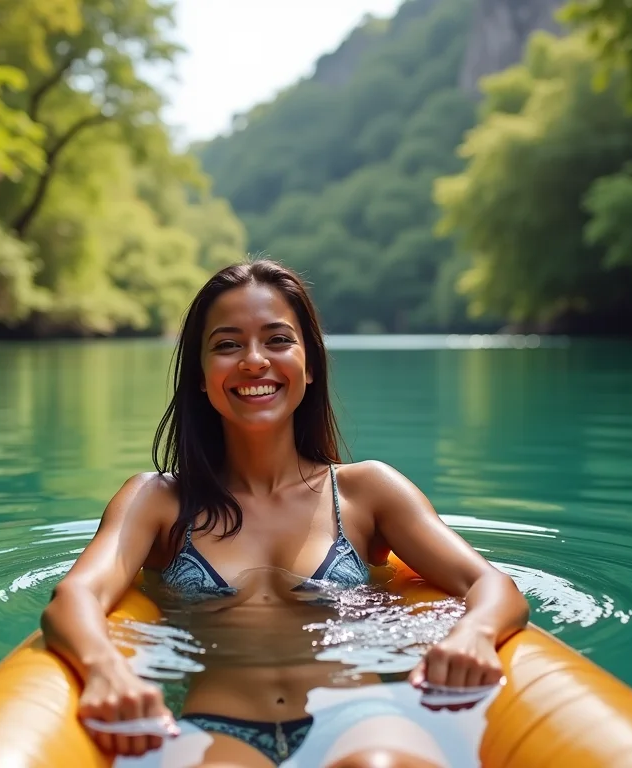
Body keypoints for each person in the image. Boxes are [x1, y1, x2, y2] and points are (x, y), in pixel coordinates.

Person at [40, 259, 529, 767]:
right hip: (218, 729)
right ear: (202, 376)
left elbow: (491, 585)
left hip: (358, 716)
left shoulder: (366, 491)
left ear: (309, 364)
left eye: (277, 340)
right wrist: (106, 670)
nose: (254, 361)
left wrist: (473, 634)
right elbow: (75, 596)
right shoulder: (158, 501)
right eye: (228, 345)